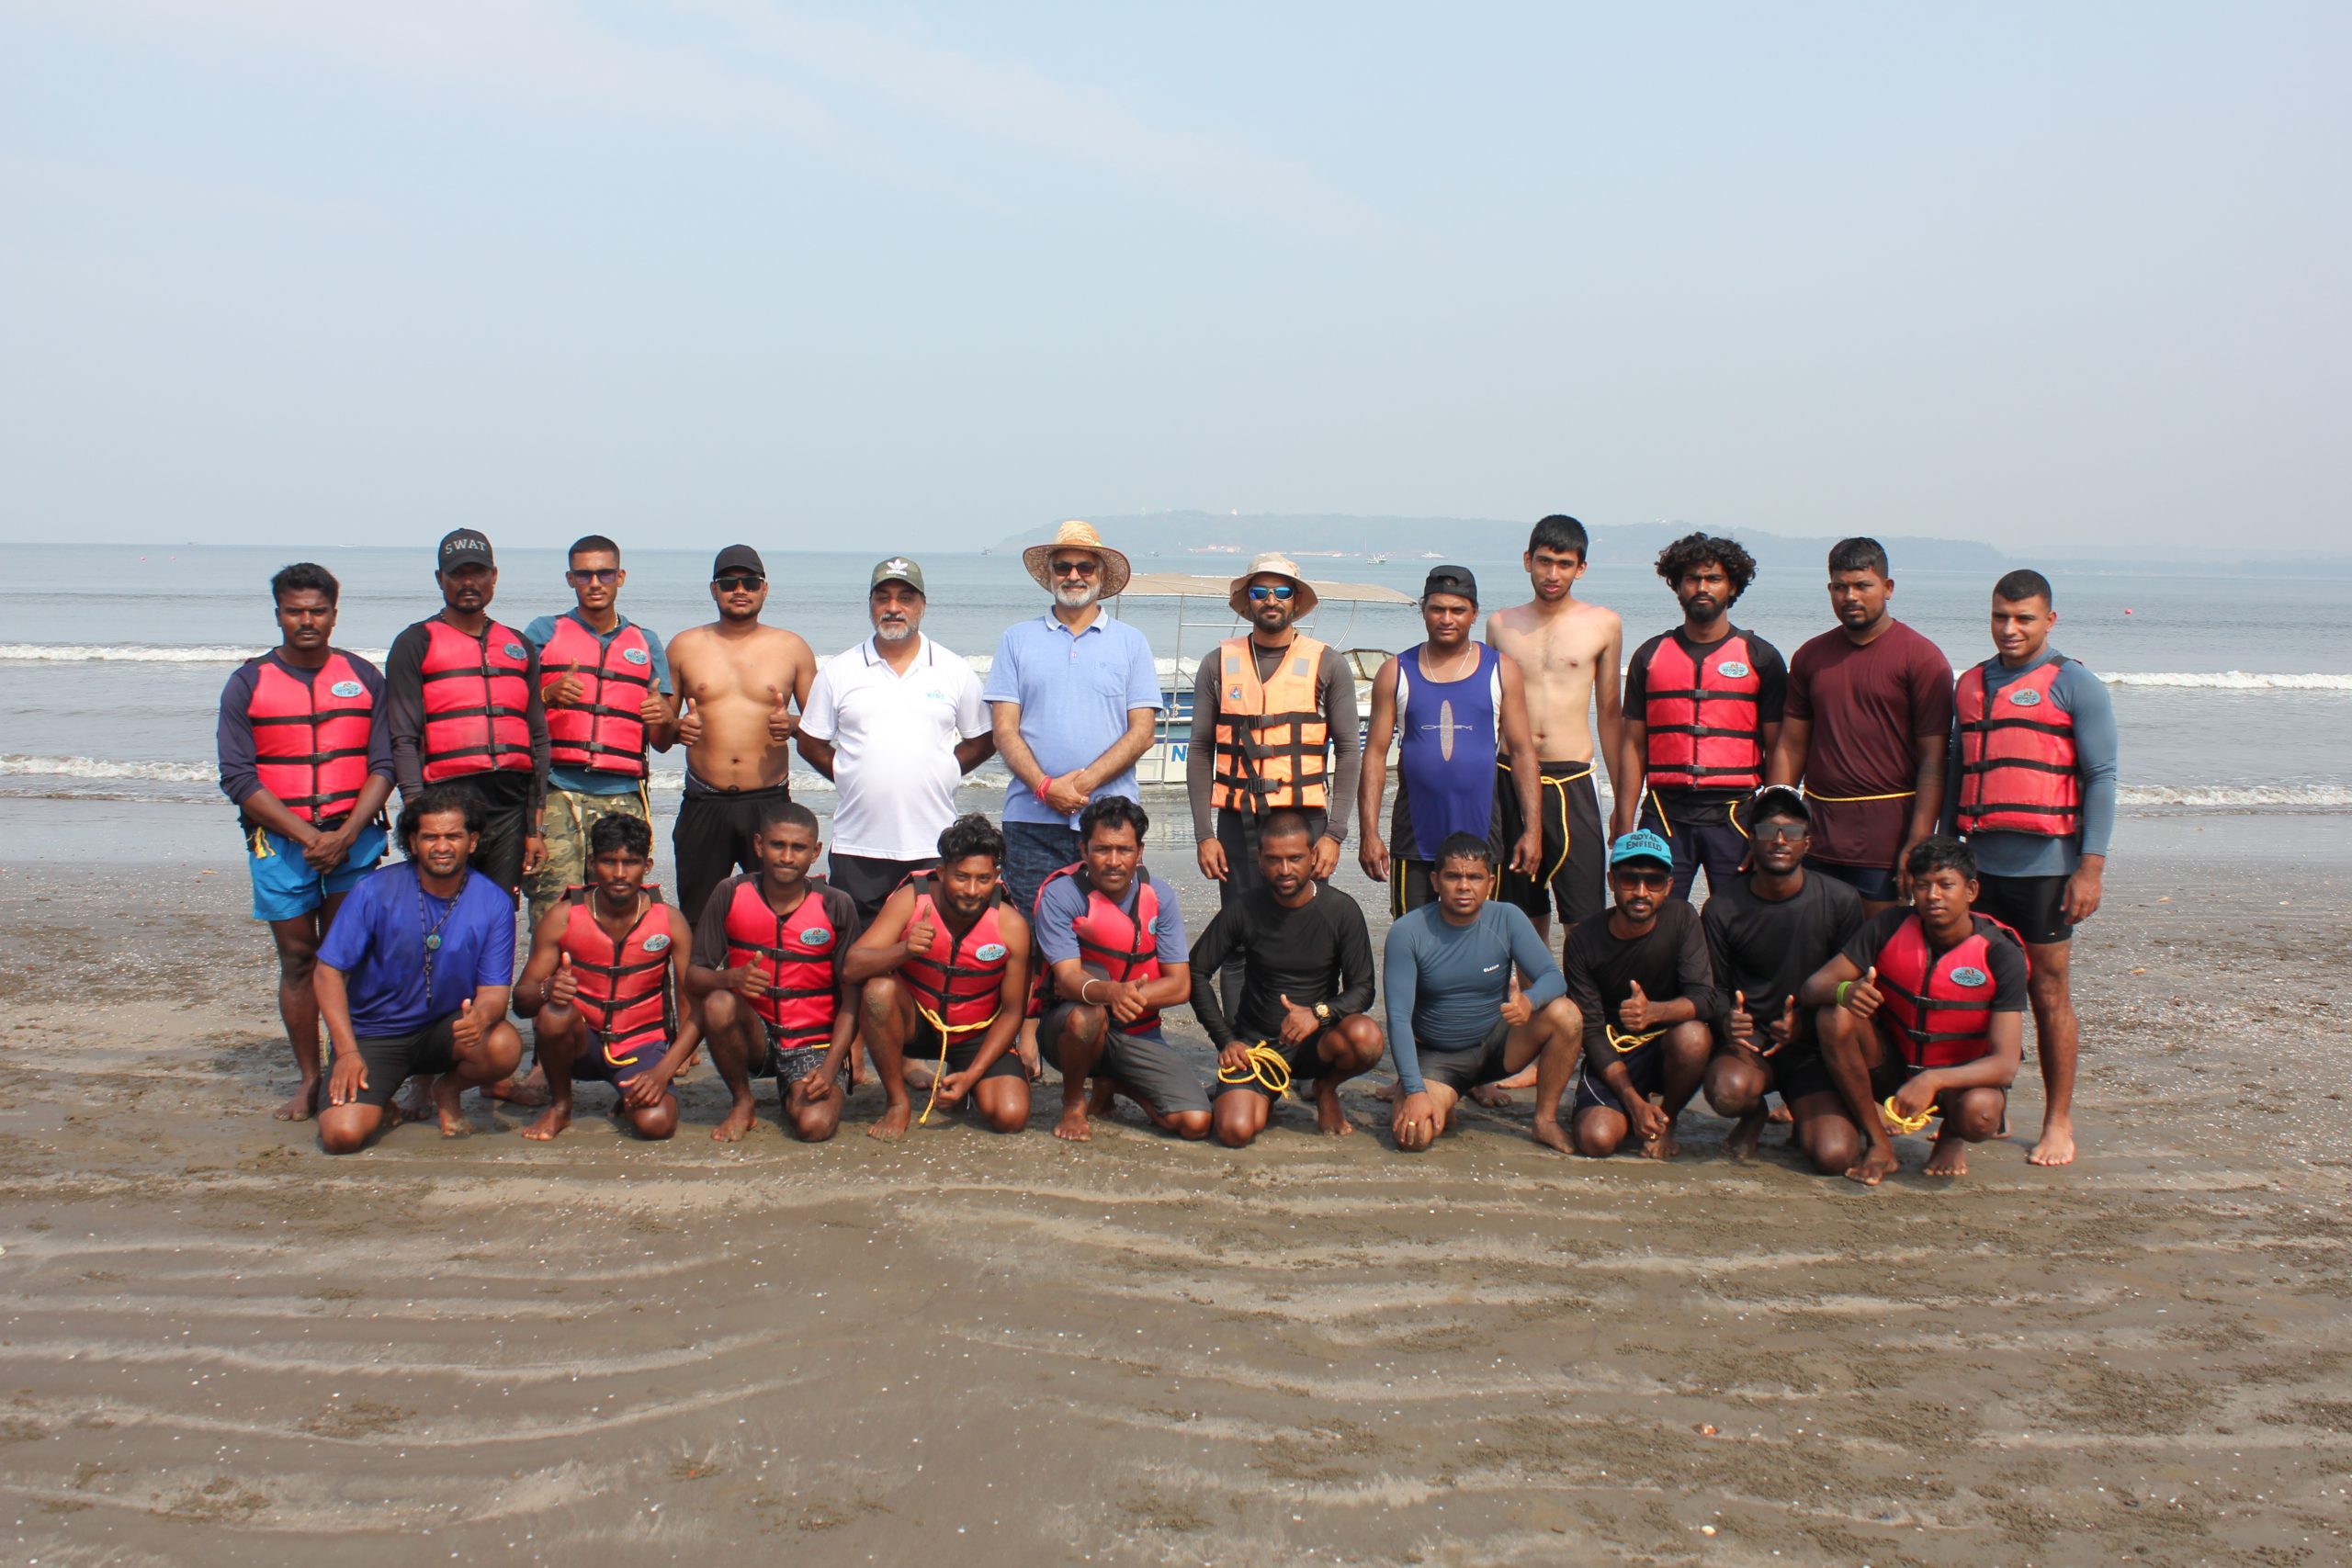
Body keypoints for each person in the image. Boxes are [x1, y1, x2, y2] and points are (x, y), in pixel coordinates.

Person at [1948, 569, 2117, 1168]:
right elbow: (1956, 772)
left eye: (2023, 618)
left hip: (2047, 869)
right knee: (1974, 987)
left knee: (2048, 992)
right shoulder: (1970, 684)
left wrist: (2090, 868)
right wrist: (1943, 855)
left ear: (2050, 619)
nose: (2010, 628)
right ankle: (1985, 1104)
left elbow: (2101, 777)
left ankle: (2058, 1120)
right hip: (1979, 866)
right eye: (2000, 616)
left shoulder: (2076, 685)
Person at [216, 561, 396, 1122]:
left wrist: (344, 835)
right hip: (281, 844)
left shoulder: (363, 676)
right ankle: (311, 1078)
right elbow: (237, 777)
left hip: (353, 840)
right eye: (295, 611)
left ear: (334, 614)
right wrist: (309, 836)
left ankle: (357, 1068)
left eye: (318, 610)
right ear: (278, 615)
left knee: (351, 958)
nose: (307, 621)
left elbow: (384, 763)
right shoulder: (248, 682)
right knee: (298, 960)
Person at [984, 521, 1159, 1071]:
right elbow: (1004, 730)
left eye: (1085, 566)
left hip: (1109, 821)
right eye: (1064, 566)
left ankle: (1109, 1034)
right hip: (1030, 817)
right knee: (1029, 929)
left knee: (1110, 929)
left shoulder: (1131, 642)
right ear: (1050, 575)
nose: (1074, 575)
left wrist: (1080, 786)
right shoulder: (1017, 639)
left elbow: (1142, 732)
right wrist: (1044, 786)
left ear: (1101, 574)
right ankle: (1027, 1029)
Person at [1188, 553, 1363, 1013]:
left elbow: (1349, 751)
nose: (1271, 599)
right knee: (1237, 939)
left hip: (1306, 824)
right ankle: (1240, 1046)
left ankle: (1309, 1043)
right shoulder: (1217, 664)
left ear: (1296, 601)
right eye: (1261, 591)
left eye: (1282, 591)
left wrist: (1335, 834)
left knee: (1309, 933)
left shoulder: (1328, 664)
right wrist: (1204, 834)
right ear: (1247, 600)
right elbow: (1201, 750)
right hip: (1238, 825)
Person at [1801, 836, 2026, 1184]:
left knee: (1980, 1114)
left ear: (1971, 891)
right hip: (1893, 1066)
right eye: (1923, 885)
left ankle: (1951, 1136)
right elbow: (1813, 987)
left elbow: (2005, 1066)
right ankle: (1878, 1143)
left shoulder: (2001, 954)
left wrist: (1933, 1079)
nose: (1933, 895)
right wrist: (1846, 990)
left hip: (1957, 1083)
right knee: (1835, 1014)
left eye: (1946, 885)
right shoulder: (1889, 926)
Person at [313, 786, 526, 1154]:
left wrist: (481, 1017)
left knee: (504, 1045)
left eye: (453, 836)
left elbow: (494, 992)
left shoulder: (494, 902)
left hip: (445, 1030)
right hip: (374, 1034)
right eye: (430, 837)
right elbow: (327, 972)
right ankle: (379, 1098)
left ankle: (447, 1089)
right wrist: (346, 1051)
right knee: (341, 1136)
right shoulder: (373, 891)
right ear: (413, 842)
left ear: (473, 842)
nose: (442, 847)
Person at [797, 557, 995, 921]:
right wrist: (848, 773)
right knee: (856, 949)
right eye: (882, 598)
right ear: (870, 604)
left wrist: (945, 769)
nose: (893, 607)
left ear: (922, 605)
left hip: (933, 844)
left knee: (929, 947)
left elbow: (983, 740)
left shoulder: (954, 670)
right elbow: (810, 743)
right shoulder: (840, 671)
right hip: (858, 848)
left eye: (905, 598)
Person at [1767, 538, 1954, 913]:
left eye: (1862, 585)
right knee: (1813, 941)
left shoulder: (1922, 659)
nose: (1850, 596)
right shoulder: (1810, 657)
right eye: (1840, 587)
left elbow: (1934, 761)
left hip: (1887, 838)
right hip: (1818, 833)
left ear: (1887, 588)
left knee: (1877, 945)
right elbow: (1791, 746)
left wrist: (1919, 839)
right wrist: (1775, 821)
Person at [1189, 811, 1385, 1147]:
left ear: (1312, 856)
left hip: (1317, 1045)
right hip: (1258, 1049)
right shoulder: (1244, 909)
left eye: (1295, 858)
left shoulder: (1341, 911)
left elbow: (1363, 989)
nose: (1284, 870)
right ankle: (1261, 1094)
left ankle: (1325, 1088)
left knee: (1367, 1037)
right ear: (1259, 859)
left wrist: (1318, 1014)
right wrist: (1226, 1041)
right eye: (1273, 859)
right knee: (1235, 1132)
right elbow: (1195, 971)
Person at [1698, 786, 1867, 1168]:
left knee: (1834, 1156)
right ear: (1750, 839)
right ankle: (1754, 1113)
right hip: (1752, 1044)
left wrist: (1804, 1024)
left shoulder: (1840, 901)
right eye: (1767, 831)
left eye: (1791, 832)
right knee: (1727, 1091)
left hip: (1813, 1048)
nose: (1779, 840)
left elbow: (1849, 990)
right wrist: (1727, 1018)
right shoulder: (1722, 907)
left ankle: (1812, 1110)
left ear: (1807, 842)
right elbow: (1712, 989)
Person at [1359, 566, 1542, 917]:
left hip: (1481, 835)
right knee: (1411, 935)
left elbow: (1522, 753)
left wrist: (1533, 831)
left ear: (1474, 614)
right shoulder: (1396, 671)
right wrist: (1369, 833)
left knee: (1479, 937)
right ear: (1423, 610)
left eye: (1457, 610)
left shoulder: (1501, 670)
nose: (1446, 619)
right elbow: (1375, 757)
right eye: (1437, 609)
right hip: (1415, 838)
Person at [1382, 834, 1581, 1155]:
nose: (1464, 886)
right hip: (1438, 1057)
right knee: (1413, 1137)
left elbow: (1553, 978)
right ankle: (1442, 1096)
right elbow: (1399, 1018)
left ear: (1490, 882)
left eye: (1474, 877)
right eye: (1453, 877)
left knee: (1567, 1015)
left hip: (1497, 1045)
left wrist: (1529, 1001)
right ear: (1435, 881)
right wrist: (1415, 1090)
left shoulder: (1507, 918)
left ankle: (1544, 1120)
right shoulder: (1408, 932)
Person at [1614, 533, 1787, 900]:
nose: (1702, 587)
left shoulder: (1762, 658)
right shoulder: (1649, 656)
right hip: (1664, 815)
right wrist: (1623, 820)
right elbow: (1633, 746)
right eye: (1692, 578)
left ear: (1732, 586)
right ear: (1677, 585)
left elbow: (1779, 748)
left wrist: (1773, 824)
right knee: (1653, 914)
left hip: (1736, 816)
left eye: (1713, 578)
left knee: (1741, 915)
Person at [520, 535, 679, 933]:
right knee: (552, 907)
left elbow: (661, 740)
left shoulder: (646, 642)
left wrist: (667, 718)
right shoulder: (543, 632)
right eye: (584, 574)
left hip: (623, 795)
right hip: (556, 790)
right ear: (570, 579)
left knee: (618, 909)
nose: (595, 583)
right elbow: (510, 707)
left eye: (604, 573)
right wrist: (547, 694)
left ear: (620, 577)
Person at [382, 528, 550, 900]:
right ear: (440, 579)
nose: (469, 582)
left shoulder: (519, 645)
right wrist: (418, 813)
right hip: (444, 805)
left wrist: (534, 827)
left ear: (494, 576)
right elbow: (403, 737)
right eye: (457, 574)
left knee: (499, 909)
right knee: (442, 909)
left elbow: (538, 737)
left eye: (478, 572)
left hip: (509, 807)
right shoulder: (414, 643)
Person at [1031, 797, 1211, 1143]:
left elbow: (1179, 986)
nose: (1113, 861)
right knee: (1087, 1016)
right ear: (1083, 850)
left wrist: (1126, 996)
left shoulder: (1160, 896)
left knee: (1196, 1122)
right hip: (1069, 1029)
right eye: (1102, 850)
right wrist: (1111, 993)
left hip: (1138, 1032)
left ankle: (1116, 1081)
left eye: (1124, 850)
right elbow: (1067, 979)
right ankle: (1073, 1103)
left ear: (1139, 851)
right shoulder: (1061, 895)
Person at [510, 814, 696, 1143]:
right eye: (609, 862)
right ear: (593, 863)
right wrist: (547, 988)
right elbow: (521, 1002)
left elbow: (696, 1007)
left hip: (641, 1044)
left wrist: (664, 1069)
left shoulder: (669, 921)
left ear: (647, 866)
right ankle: (561, 1106)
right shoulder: (563, 917)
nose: (620, 874)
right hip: (581, 1044)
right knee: (553, 1015)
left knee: (657, 1124)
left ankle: (628, 1094)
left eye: (631, 863)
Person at [846, 814, 1033, 1138]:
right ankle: (897, 1101)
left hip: (976, 1033)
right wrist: (904, 950)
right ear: (942, 872)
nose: (972, 890)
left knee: (1010, 1117)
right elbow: (852, 967)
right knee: (878, 991)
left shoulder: (1012, 926)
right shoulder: (911, 901)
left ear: (996, 877)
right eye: (961, 877)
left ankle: (963, 1075)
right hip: (916, 1025)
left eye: (983, 879)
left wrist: (972, 1075)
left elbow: (1013, 1012)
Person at [686, 802, 863, 1144]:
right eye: (777, 845)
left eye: (798, 848)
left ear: (815, 852)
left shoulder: (836, 904)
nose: (786, 857)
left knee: (815, 1126)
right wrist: (730, 978)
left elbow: (852, 996)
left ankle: (793, 1091)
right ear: (758, 845)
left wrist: (831, 1067)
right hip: (756, 1037)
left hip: (812, 1043)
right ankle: (742, 1101)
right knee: (719, 1003)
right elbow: (694, 977)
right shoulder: (730, 892)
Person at [1484, 515, 1623, 941]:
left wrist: (1622, 802)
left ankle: (1581, 986)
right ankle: (1531, 984)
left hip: (1572, 777)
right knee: (1520, 912)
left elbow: (1610, 714)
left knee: (1584, 913)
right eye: (1545, 561)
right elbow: (1489, 711)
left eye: (1564, 564)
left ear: (1581, 568)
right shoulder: (1501, 624)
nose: (1552, 574)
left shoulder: (1603, 624)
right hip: (1509, 773)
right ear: (1528, 560)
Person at [664, 545, 818, 925]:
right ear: (713, 589)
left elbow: (822, 728)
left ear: (764, 589)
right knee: (697, 918)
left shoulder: (792, 647)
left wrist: (793, 725)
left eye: (749, 582)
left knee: (774, 917)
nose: (740, 590)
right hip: (704, 800)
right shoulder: (684, 645)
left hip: (768, 802)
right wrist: (677, 727)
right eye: (729, 582)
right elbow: (660, 737)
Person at [1562, 831, 1717, 1158]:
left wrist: (1654, 1012)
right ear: (1612, 881)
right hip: (1615, 1052)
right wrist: (1633, 1103)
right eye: (1630, 880)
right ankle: (1637, 1109)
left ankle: (1666, 1119)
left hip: (1667, 1050)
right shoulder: (1582, 941)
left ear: (1669, 886)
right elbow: (1592, 1032)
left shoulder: (1683, 919)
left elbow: (1705, 999)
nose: (1641, 892)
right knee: (1595, 1140)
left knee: (1694, 1037)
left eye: (1654, 881)